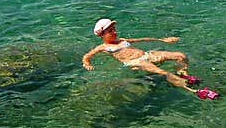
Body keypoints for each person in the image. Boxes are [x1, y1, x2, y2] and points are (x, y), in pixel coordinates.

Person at [82, 18, 218, 99]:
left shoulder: (122, 40)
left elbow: (141, 39)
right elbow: (87, 55)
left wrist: (162, 40)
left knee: (180, 55)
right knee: (165, 73)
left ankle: (185, 75)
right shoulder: (103, 47)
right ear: (101, 34)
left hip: (147, 55)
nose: (115, 32)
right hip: (136, 62)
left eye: (114, 29)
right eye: (110, 31)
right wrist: (86, 63)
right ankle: (196, 91)